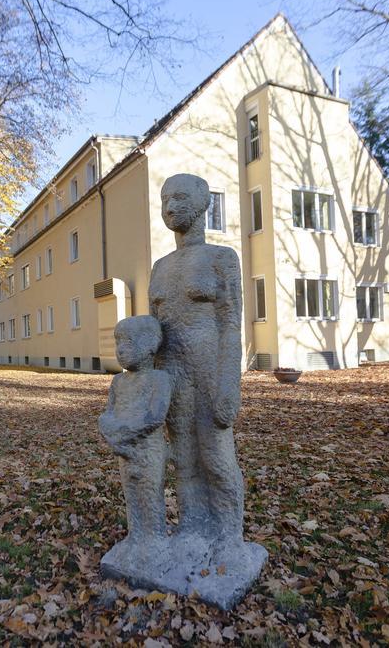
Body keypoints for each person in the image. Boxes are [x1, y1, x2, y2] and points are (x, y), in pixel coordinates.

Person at [148, 173, 245, 544]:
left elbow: (231, 324)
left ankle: (228, 534)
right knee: (184, 461)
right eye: (165, 199)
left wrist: (229, 386)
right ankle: (192, 527)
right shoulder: (160, 267)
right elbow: (152, 333)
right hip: (171, 372)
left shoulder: (221, 258)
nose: (171, 207)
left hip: (208, 369)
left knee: (217, 457)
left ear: (204, 203)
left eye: (181, 198)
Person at [99, 315, 172, 545]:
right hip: (124, 452)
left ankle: (155, 540)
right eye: (117, 343)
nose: (120, 350)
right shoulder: (118, 382)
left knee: (150, 496)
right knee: (130, 496)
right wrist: (108, 429)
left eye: (127, 343)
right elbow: (108, 413)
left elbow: (155, 417)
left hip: (148, 451)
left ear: (150, 344)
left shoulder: (159, 380)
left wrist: (123, 432)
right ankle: (136, 536)